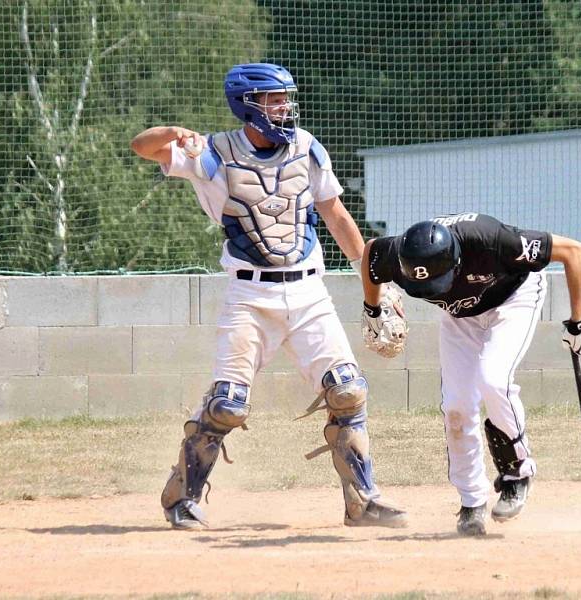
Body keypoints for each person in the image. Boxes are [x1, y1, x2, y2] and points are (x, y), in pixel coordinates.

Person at [130, 62, 407, 530]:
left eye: (285, 99)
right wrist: (177, 133)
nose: (284, 107)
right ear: (247, 103)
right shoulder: (213, 152)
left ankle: (363, 499)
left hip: (308, 293)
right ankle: (183, 494)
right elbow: (141, 146)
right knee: (227, 405)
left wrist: (376, 281)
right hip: (248, 296)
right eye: (273, 99)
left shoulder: (306, 147)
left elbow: (338, 217)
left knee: (347, 389)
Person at [360, 212, 581, 536]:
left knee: (493, 379)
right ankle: (472, 501)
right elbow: (371, 253)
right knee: (456, 406)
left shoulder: (492, 239)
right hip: (460, 317)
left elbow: (574, 251)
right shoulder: (400, 253)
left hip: (513, 297)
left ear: (457, 261)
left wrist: (577, 322)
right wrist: (372, 309)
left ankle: (517, 472)